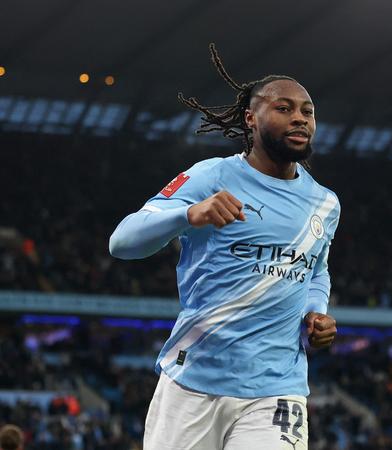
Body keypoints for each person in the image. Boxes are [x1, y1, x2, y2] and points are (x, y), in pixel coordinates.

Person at [109, 43, 340, 450]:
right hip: (194, 381)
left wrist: (315, 312)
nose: (300, 118)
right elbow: (122, 241)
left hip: (277, 388)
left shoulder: (325, 203)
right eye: (284, 108)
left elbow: (316, 269)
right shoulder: (210, 177)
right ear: (251, 118)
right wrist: (188, 214)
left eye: (308, 111)